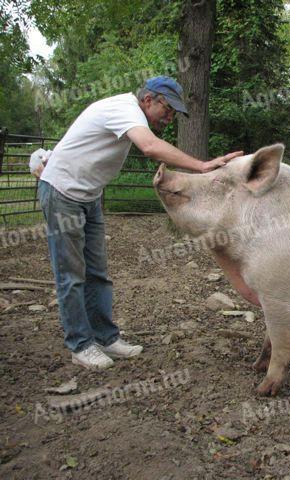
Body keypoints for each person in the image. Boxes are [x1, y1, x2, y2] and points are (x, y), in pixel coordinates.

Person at [37, 76, 243, 370]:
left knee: (97, 272)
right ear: (148, 100)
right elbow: (149, 147)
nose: (170, 117)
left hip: (89, 196)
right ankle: (80, 344)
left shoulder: (130, 114)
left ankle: (106, 337)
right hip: (62, 193)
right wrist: (203, 165)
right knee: (71, 275)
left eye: (174, 113)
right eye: (167, 109)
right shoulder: (125, 109)